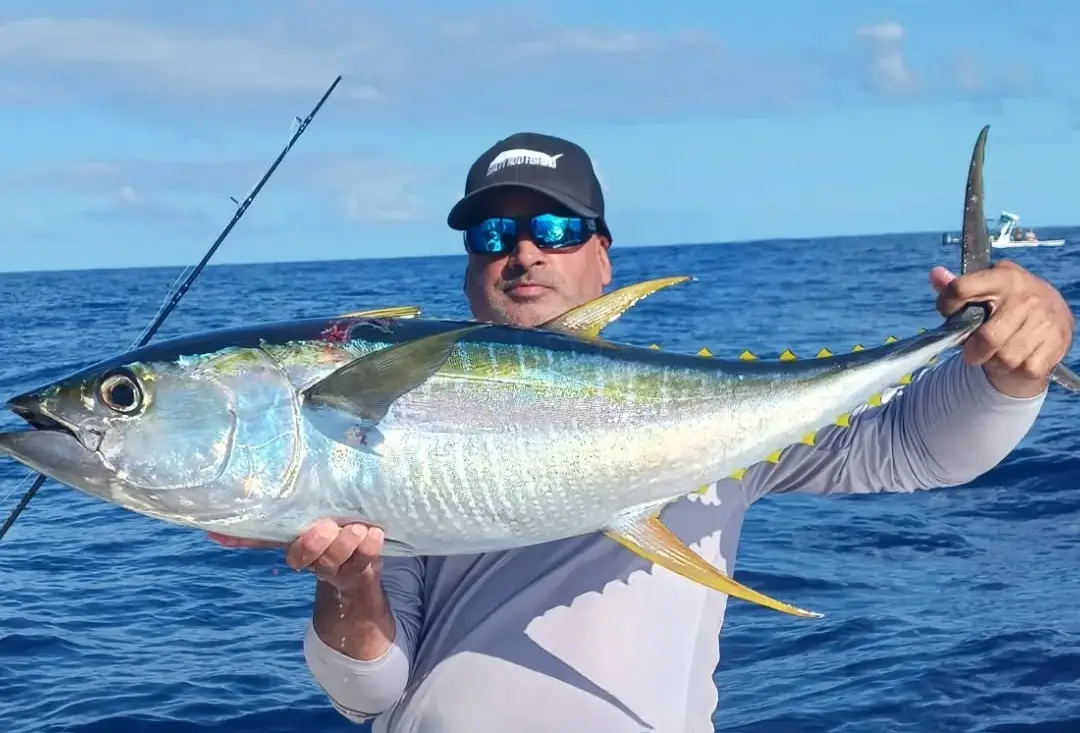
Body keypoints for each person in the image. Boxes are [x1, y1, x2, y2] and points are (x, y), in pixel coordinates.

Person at [210, 132, 1075, 732]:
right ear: (471, 265)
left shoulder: (707, 414)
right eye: (494, 233)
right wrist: (350, 584)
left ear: (603, 256)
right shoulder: (393, 425)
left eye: (556, 229)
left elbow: (922, 448)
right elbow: (367, 691)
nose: (524, 251)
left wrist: (1012, 366)